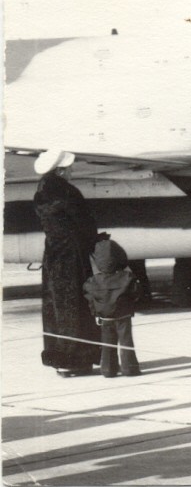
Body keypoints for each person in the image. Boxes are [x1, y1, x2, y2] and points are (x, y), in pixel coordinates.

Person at [33, 149, 101, 377]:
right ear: (61, 170)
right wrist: (94, 242)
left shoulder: (41, 192)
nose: (72, 171)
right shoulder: (68, 192)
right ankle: (78, 359)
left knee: (55, 306)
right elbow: (85, 222)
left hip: (53, 254)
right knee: (76, 305)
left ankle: (60, 358)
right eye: (69, 168)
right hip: (73, 255)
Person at [83, 236, 141, 378]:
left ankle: (108, 370)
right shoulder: (127, 277)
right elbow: (136, 293)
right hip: (123, 314)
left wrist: (95, 313)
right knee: (126, 340)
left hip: (105, 316)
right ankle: (130, 368)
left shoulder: (93, 281)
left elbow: (90, 298)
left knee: (107, 343)